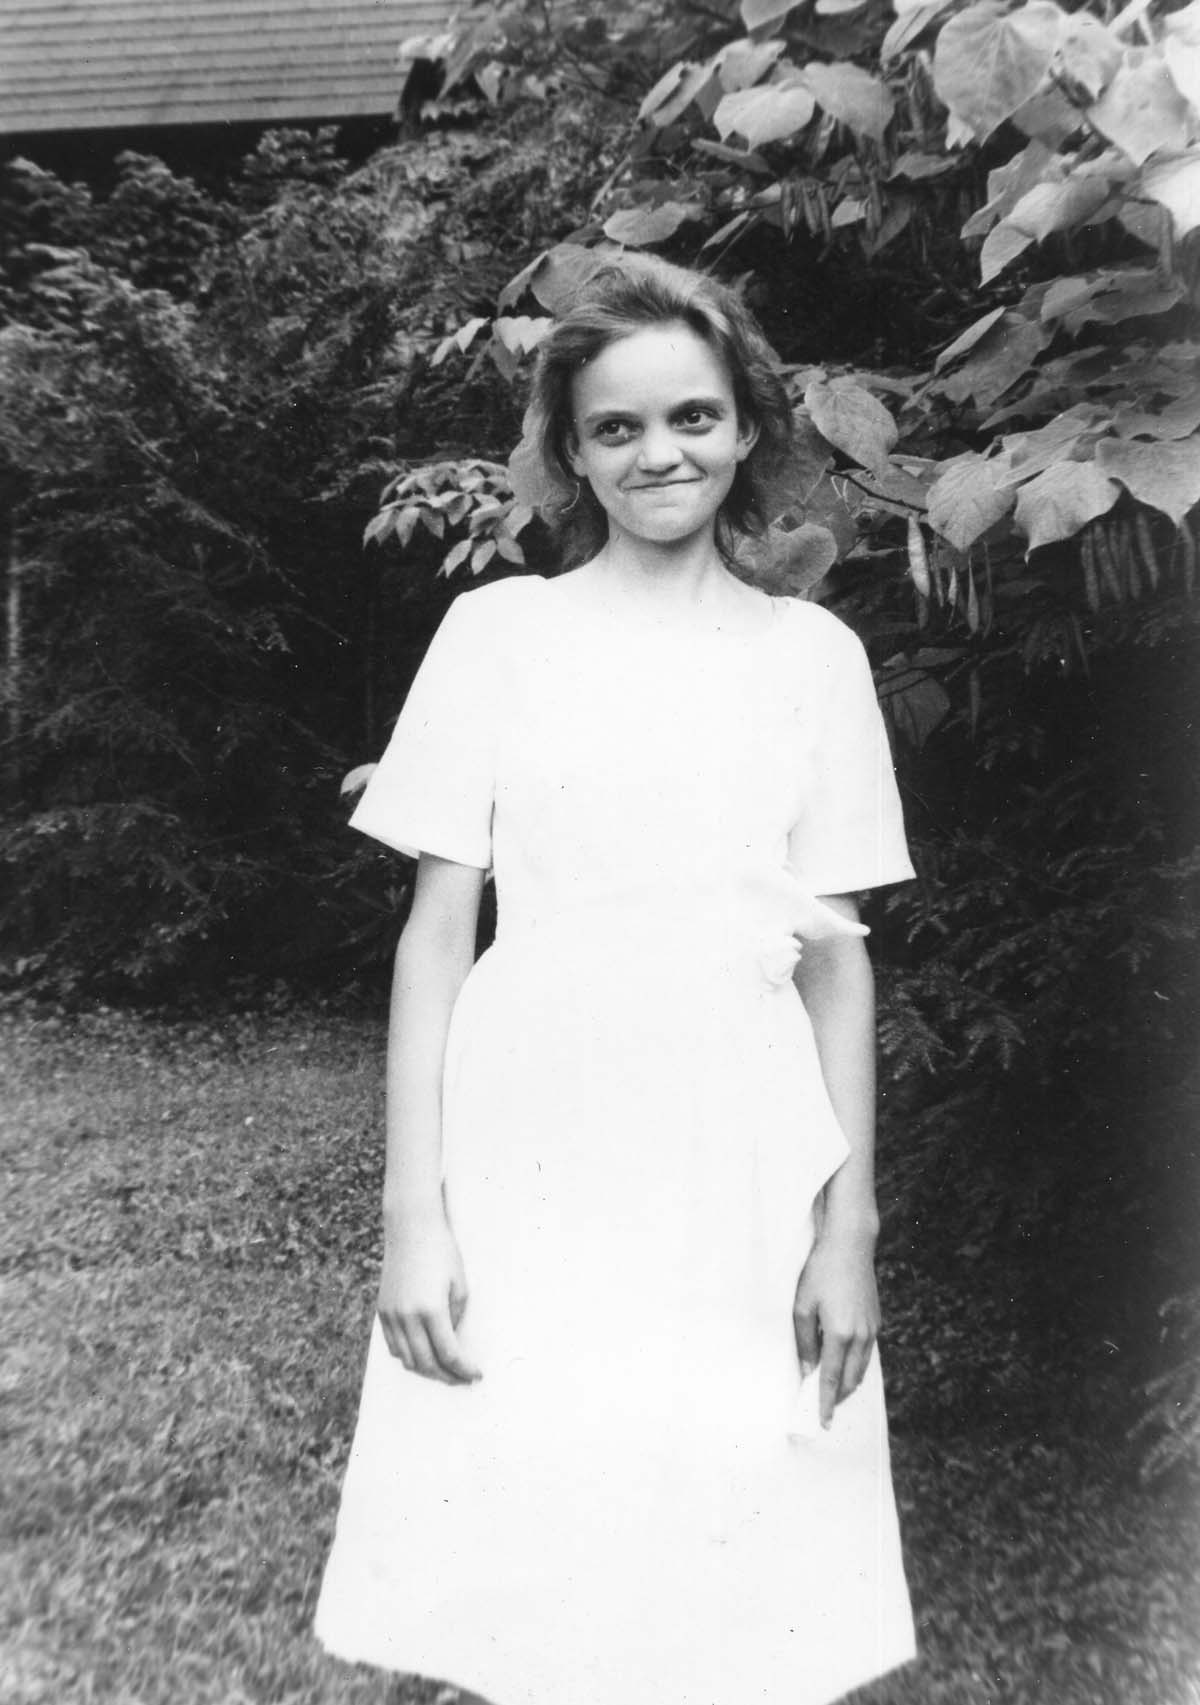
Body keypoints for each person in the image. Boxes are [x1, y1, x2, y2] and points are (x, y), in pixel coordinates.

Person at [315, 255, 917, 1705]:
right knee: (544, 1501)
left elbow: (835, 962)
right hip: (537, 1125)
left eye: (693, 417)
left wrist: (849, 1228)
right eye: (618, 427)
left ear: (748, 427)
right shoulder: (499, 637)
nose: (661, 454)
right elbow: (435, 938)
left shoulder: (814, 657)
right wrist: (414, 1218)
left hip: (741, 1129)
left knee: (731, 1513)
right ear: (572, 453)